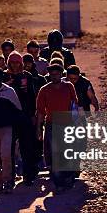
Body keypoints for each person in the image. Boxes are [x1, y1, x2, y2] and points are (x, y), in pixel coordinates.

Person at [36, 63, 78, 192]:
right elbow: (41, 111)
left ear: (61, 74)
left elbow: (74, 104)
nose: (54, 76)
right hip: (52, 124)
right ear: (49, 75)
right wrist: (39, 128)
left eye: (57, 74)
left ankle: (67, 178)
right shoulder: (44, 90)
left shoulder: (69, 87)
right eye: (52, 74)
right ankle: (59, 182)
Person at [5, 51, 39, 185]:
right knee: (9, 150)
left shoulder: (27, 76)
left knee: (27, 148)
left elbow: (32, 96)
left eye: (17, 62)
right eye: (12, 62)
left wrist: (33, 115)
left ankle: (28, 175)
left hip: (25, 117)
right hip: (9, 118)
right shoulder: (4, 76)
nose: (14, 65)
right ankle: (10, 176)